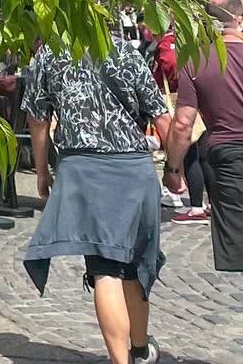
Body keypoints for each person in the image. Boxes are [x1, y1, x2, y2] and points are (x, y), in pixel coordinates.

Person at [21, 41, 173, 364]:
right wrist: (175, 170)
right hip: (134, 169)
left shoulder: (48, 55)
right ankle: (141, 349)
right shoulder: (127, 51)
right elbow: (161, 119)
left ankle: (123, 360)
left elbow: (37, 120)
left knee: (106, 270)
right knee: (135, 264)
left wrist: (41, 172)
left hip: (86, 171)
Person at [164, 0, 243, 270]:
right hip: (227, 155)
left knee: (237, 243)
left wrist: (172, 169)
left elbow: (183, 124)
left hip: (226, 158)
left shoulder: (197, 60)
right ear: (240, 19)